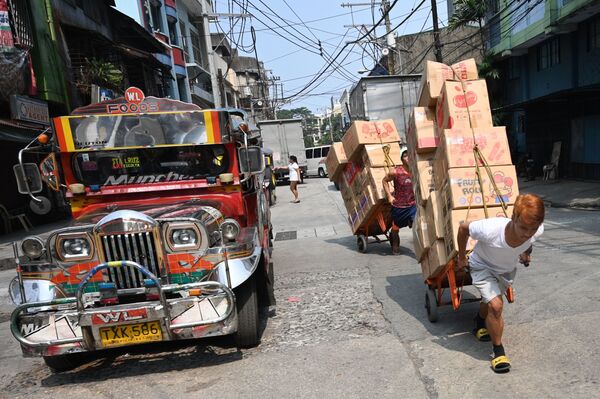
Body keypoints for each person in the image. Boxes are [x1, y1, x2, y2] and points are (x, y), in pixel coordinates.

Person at [457, 193, 545, 373]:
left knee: (489, 301)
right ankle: (498, 351)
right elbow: (463, 229)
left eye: (532, 229)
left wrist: (526, 253)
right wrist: (460, 257)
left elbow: (529, 242)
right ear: (513, 218)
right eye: (523, 228)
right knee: (496, 306)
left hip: (506, 270)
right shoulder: (490, 229)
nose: (527, 234)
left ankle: (479, 322)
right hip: (482, 266)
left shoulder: (537, 230)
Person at [382, 148, 416, 254]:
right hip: (399, 206)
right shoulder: (396, 172)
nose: (408, 158)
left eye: (409, 155)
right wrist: (389, 196)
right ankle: (395, 245)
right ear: (402, 159)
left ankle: (421, 248)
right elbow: (384, 181)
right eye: (405, 156)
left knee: (417, 223)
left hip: (413, 205)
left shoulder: (416, 170)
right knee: (396, 228)